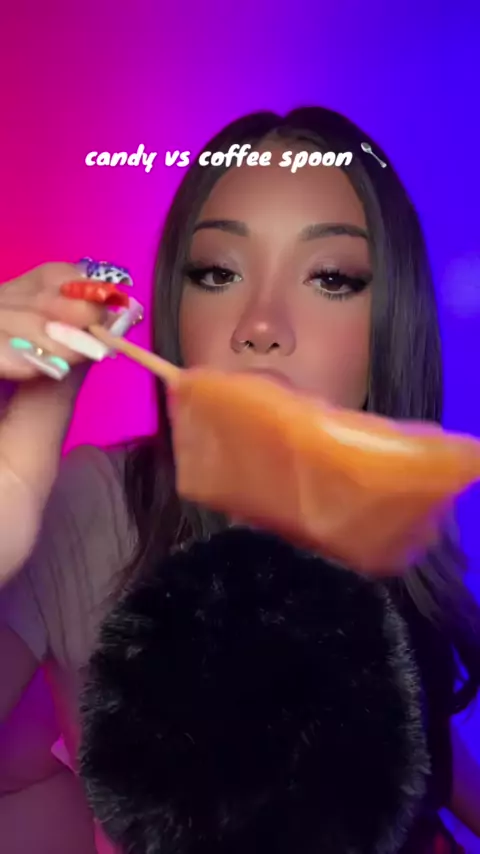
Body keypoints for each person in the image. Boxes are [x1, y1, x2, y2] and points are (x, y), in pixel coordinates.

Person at [0, 107, 479, 854]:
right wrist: (13, 471)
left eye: (331, 278)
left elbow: (428, 768)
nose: (260, 324)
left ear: (392, 323)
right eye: (218, 273)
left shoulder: (399, 527)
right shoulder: (95, 508)